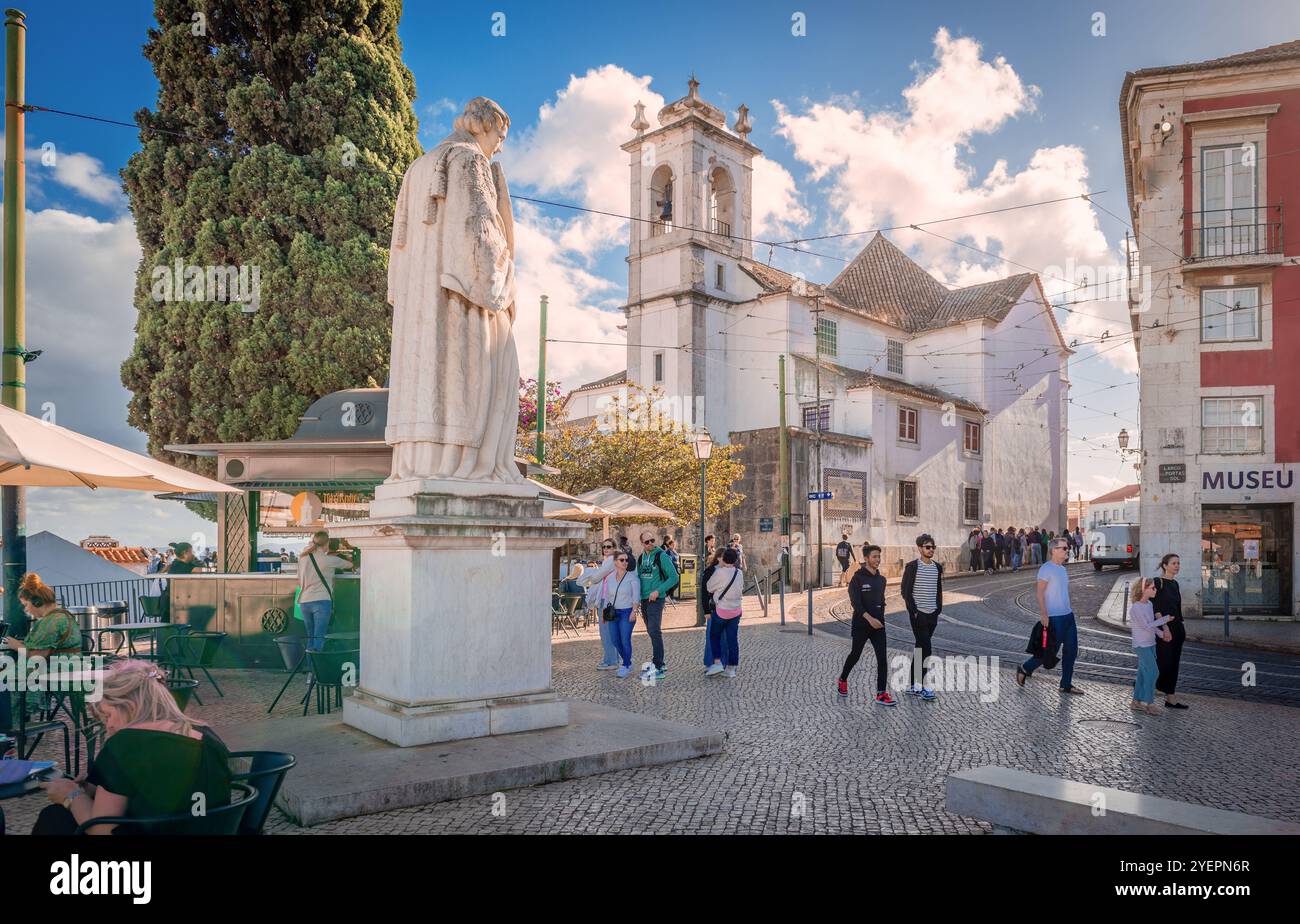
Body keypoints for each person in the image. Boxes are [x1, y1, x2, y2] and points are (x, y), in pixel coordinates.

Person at [32, 660, 232, 835]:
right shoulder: (207, 735)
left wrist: (71, 795)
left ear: (130, 705)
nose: (108, 726)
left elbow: (102, 829)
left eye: (108, 715)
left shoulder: (127, 744)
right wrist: (101, 784)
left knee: (55, 817)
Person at [1016, 537, 1084, 694]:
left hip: (1068, 616)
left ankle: (1065, 684)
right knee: (1049, 651)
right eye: (1064, 548)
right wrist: (1043, 613)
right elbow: (1040, 593)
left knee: (1071, 651)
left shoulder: (1063, 569)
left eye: (1067, 548)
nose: (1067, 550)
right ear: (1054, 550)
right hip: (1054, 618)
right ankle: (1025, 668)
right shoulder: (1046, 569)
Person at [837, 545, 895, 706]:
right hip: (861, 624)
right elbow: (856, 603)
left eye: (879, 557)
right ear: (866, 559)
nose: (877, 560)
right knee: (855, 655)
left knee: (882, 658)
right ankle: (842, 679)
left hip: (878, 626)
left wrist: (880, 620)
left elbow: (881, 602)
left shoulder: (881, 580)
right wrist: (869, 619)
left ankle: (881, 694)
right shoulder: (857, 579)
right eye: (874, 557)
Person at [900, 534, 942, 700]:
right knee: (927, 648)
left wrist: (938, 608)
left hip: (933, 614)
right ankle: (922, 685)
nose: (930, 550)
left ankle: (913, 685)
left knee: (920, 649)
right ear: (919, 548)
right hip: (919, 615)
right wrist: (914, 612)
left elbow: (938, 589)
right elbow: (905, 591)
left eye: (932, 547)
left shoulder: (937, 567)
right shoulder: (912, 567)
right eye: (927, 547)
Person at [1, 573, 81, 660]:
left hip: (55, 671)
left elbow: (37, 657)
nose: (26, 610)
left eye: (26, 605)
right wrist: (25, 644)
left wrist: (16, 646)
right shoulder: (63, 615)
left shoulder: (51, 622)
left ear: (37, 602)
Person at [297, 530, 353, 652]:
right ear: (327, 543)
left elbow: (299, 579)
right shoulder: (328, 560)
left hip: (304, 602)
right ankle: (318, 670)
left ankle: (312, 669)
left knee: (310, 638)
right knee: (319, 638)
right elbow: (349, 565)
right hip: (321, 602)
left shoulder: (303, 558)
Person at [636, 529, 678, 682]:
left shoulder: (662, 556)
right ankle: (661, 662)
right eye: (647, 542)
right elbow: (638, 578)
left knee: (655, 630)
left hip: (657, 599)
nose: (651, 544)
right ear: (642, 543)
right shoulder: (641, 558)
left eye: (652, 540)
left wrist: (658, 590)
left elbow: (674, 577)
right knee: (651, 630)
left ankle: (658, 665)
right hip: (644, 599)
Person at [1128, 578, 1172, 717]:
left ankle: (1136, 702)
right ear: (1143, 589)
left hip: (1151, 643)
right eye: (1152, 588)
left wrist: (1161, 634)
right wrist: (1164, 620)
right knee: (1153, 672)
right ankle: (1149, 704)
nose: (1155, 590)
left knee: (1142, 674)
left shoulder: (1149, 604)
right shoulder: (1136, 607)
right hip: (1141, 645)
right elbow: (1146, 626)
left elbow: (1152, 626)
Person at [1152, 554, 1189, 709]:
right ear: (1165, 565)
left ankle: (1170, 698)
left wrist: (1180, 627)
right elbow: (1156, 607)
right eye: (1174, 563)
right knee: (1164, 662)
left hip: (1177, 627)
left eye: (1178, 563)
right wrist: (1165, 627)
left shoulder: (1175, 584)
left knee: (1174, 664)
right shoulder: (1158, 582)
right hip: (1164, 627)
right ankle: (1145, 684)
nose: (1177, 566)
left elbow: (1177, 607)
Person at [705, 548, 744, 678]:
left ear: (724, 558)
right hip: (736, 611)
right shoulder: (739, 573)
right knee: (732, 639)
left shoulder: (720, 572)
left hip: (722, 611)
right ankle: (731, 668)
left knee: (714, 636)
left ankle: (717, 663)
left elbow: (709, 587)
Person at [582, 541, 621, 670]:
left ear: (614, 548)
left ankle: (610, 661)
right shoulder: (616, 560)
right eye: (603, 547)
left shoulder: (610, 560)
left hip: (606, 601)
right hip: (612, 599)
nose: (605, 549)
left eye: (608, 546)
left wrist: (591, 575)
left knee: (605, 632)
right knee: (612, 631)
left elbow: (595, 578)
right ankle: (614, 659)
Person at [602, 550, 641, 678]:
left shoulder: (632, 577)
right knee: (614, 640)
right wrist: (604, 613)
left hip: (627, 612)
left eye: (626, 560)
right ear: (615, 562)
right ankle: (628, 662)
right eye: (622, 560)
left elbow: (636, 597)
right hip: (613, 613)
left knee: (625, 639)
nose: (625, 562)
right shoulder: (610, 578)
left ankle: (626, 665)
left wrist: (634, 612)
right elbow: (607, 597)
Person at [662, 536, 681, 601]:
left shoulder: (675, 552)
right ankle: (667, 595)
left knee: (676, 583)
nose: (673, 546)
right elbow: (669, 561)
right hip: (671, 570)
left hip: (677, 570)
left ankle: (671, 597)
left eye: (674, 545)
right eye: (672, 545)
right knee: (674, 583)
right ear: (669, 545)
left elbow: (677, 559)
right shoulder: (668, 552)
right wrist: (675, 563)